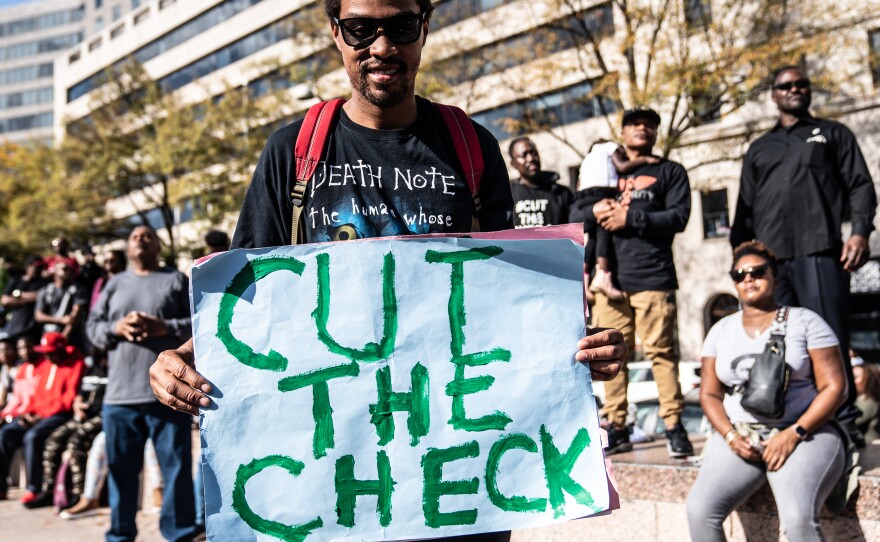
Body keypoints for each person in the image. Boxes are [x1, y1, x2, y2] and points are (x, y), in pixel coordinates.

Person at [148, 1, 627, 540]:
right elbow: (246, 307)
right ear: (336, 33)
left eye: (400, 26)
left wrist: (578, 349)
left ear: (423, 30)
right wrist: (181, 360)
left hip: (457, 486)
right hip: (334, 489)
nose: (382, 47)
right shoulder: (292, 152)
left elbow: (507, 304)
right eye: (360, 29)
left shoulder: (472, 148)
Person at [730, 66, 878, 437]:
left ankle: (842, 423)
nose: (794, 89)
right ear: (774, 94)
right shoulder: (759, 148)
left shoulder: (833, 134)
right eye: (786, 85)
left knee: (829, 337)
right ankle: (783, 416)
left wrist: (859, 233)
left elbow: (861, 187)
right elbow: (744, 209)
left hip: (821, 253)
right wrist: (741, 259)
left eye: (801, 84)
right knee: (776, 341)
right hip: (770, 264)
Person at [687, 241, 847, 541]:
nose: (748, 278)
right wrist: (731, 436)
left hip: (805, 433)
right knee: (699, 510)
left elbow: (835, 388)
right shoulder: (720, 331)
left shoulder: (807, 322)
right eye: (739, 274)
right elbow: (709, 394)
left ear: (774, 276)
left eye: (757, 272)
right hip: (741, 435)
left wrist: (794, 434)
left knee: (798, 519)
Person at [575, 106, 693, 458]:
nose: (641, 129)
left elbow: (680, 216)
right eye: (634, 124)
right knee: (611, 355)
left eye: (648, 125)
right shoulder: (605, 166)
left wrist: (631, 216)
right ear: (623, 132)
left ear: (656, 132)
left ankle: (673, 426)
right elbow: (576, 211)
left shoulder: (670, 171)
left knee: (662, 354)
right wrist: (594, 212)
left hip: (653, 276)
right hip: (608, 283)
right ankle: (618, 426)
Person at [86, 225, 195, 542]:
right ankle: (119, 535)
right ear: (128, 247)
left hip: (166, 395)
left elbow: (200, 323)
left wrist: (165, 326)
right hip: (119, 398)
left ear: (158, 244)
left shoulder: (175, 280)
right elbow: (92, 329)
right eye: (134, 235)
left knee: (175, 472)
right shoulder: (114, 283)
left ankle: (180, 534)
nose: (140, 238)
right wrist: (117, 328)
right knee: (121, 473)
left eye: (147, 234)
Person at [0, 332, 84, 503]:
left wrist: (41, 416)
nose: (48, 355)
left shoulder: (75, 364)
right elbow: (36, 396)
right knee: (6, 434)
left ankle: (35, 489)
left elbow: (67, 400)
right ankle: (1, 487)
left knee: (33, 437)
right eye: (46, 352)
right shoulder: (46, 365)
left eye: (51, 352)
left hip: (60, 415)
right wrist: (29, 414)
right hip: (39, 415)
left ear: (60, 350)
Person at [575, 138, 662, 301]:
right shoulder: (609, 147)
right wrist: (646, 160)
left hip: (584, 196)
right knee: (605, 233)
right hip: (601, 193)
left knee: (593, 239)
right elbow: (622, 166)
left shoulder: (587, 160)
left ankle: (584, 280)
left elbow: (578, 185)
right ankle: (604, 276)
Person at [22, 353, 107, 509]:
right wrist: (78, 404)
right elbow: (79, 395)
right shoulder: (91, 370)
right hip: (83, 415)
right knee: (53, 439)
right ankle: (49, 491)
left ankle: (78, 493)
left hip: (103, 416)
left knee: (76, 440)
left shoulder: (114, 371)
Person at [508, 137, 574, 228]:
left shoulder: (561, 193)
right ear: (513, 163)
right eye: (524, 155)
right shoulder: (508, 195)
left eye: (534, 153)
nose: (531, 158)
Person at [34, 261, 88, 348]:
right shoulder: (45, 291)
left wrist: (63, 337)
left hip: (71, 340)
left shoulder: (78, 289)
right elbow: (38, 316)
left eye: (69, 269)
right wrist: (60, 320)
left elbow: (76, 314)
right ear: (55, 271)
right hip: (49, 338)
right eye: (64, 269)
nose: (68, 272)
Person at [1, 256, 48, 343]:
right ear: (27, 266)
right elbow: (4, 300)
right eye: (36, 266)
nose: (39, 269)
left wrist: (19, 294)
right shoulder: (16, 280)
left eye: (41, 267)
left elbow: (40, 296)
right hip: (14, 326)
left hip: (33, 330)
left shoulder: (43, 282)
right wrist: (29, 299)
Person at [852, 355, 880, 443]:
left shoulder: (870, 403)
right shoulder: (860, 399)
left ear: (868, 380)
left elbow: (851, 421)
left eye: (855, 377)